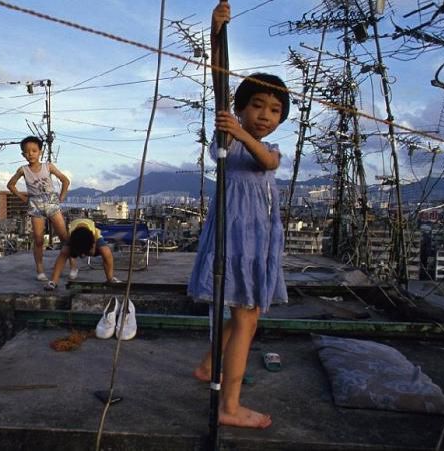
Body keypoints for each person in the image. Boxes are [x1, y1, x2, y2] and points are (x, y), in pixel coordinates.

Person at [187, 1, 289, 430]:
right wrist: (215, 32)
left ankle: (210, 365)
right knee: (246, 315)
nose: (265, 116)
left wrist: (242, 131)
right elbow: (218, 78)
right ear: (242, 105)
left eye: (275, 110)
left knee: (246, 312)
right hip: (237, 236)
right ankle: (229, 404)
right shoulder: (228, 132)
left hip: (258, 236)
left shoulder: (252, 140)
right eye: (258, 105)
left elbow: (267, 160)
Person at [7, 136, 77, 281]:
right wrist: (23, 198)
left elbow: (65, 180)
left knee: (64, 236)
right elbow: (10, 185)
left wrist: (61, 197)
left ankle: (73, 264)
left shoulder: (48, 166)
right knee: (38, 239)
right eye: (27, 152)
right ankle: (40, 269)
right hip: (35, 205)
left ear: (40, 152)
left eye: (34, 150)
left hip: (51, 202)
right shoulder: (23, 170)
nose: (30, 154)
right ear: (23, 154)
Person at [44, 218, 121, 291]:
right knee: (64, 252)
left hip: (91, 236)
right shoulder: (71, 236)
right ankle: (53, 281)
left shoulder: (94, 236)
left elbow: (96, 250)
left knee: (106, 252)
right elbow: (63, 258)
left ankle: (110, 278)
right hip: (76, 237)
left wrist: (92, 251)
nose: (83, 256)